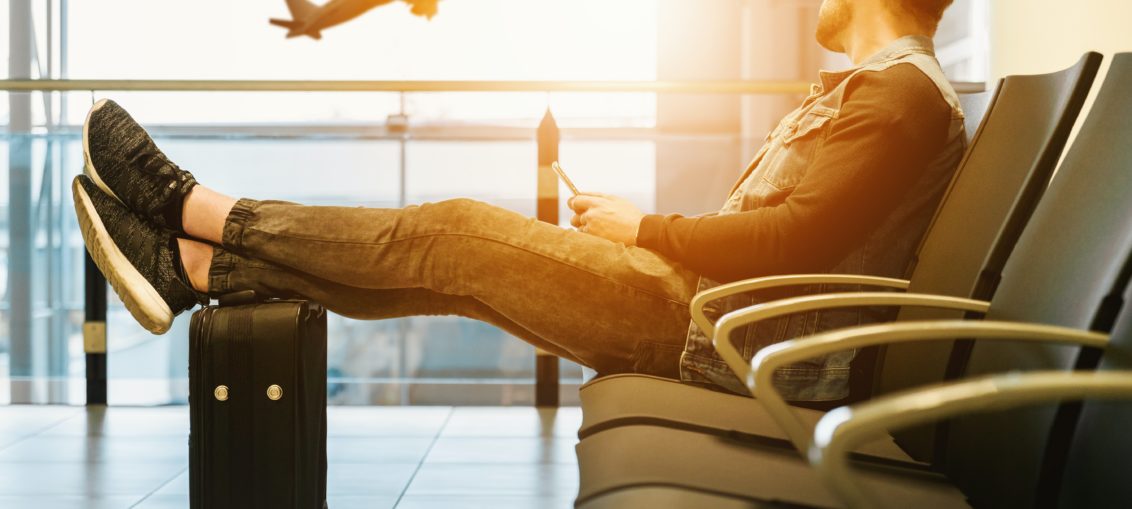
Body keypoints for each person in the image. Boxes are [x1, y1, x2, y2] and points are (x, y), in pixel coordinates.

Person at [72, 0, 963, 402]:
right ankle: (198, 265)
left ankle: (193, 211)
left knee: (454, 234)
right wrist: (645, 232)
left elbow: (793, 239)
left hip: (715, 333)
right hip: (706, 311)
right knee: (457, 276)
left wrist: (643, 228)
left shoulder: (899, 98)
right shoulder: (879, 92)